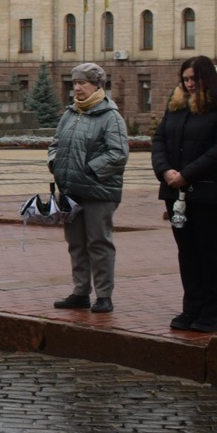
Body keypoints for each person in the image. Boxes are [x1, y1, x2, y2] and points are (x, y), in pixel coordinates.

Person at [152, 55, 217, 333]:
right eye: (186, 79)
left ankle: (211, 312)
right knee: (187, 252)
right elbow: (160, 140)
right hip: (176, 192)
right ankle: (191, 307)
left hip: (210, 192)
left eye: (195, 79)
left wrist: (187, 174)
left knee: (208, 251)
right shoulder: (176, 105)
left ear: (208, 79)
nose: (190, 84)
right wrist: (165, 171)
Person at [48, 63, 129, 314]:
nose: (78, 88)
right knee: (76, 243)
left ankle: (104, 295)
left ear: (98, 85)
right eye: (75, 83)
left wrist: (90, 171)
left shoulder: (110, 116)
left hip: (99, 192)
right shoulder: (70, 114)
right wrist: (54, 162)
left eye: (83, 83)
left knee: (98, 243)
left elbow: (118, 153)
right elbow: (56, 143)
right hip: (72, 191)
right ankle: (81, 291)